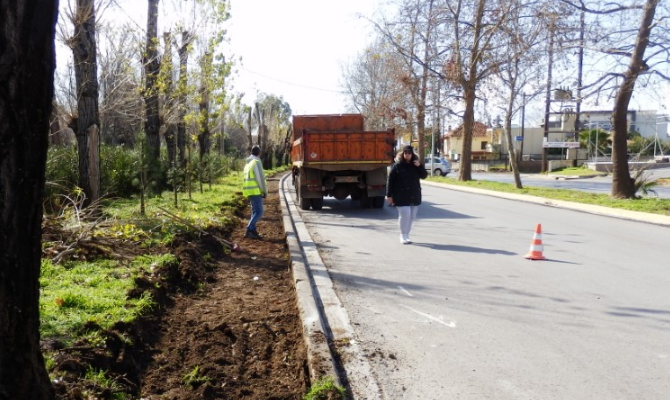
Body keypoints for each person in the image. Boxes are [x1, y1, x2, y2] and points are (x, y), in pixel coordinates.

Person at [386, 145, 428, 244]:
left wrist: (419, 166)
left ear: (412, 154)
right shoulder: (397, 166)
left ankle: (407, 235)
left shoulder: (416, 165)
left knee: (412, 216)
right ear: (403, 154)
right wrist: (389, 195)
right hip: (401, 194)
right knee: (405, 214)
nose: (407, 154)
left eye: (409, 153)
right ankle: (402, 235)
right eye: (405, 153)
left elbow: (424, 176)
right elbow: (391, 180)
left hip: (414, 194)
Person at [242, 145, 268, 239]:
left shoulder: (248, 163)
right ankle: (249, 229)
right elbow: (260, 178)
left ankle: (252, 231)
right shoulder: (256, 162)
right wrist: (264, 191)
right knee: (259, 212)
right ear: (259, 153)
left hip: (249, 191)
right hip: (256, 191)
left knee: (255, 211)